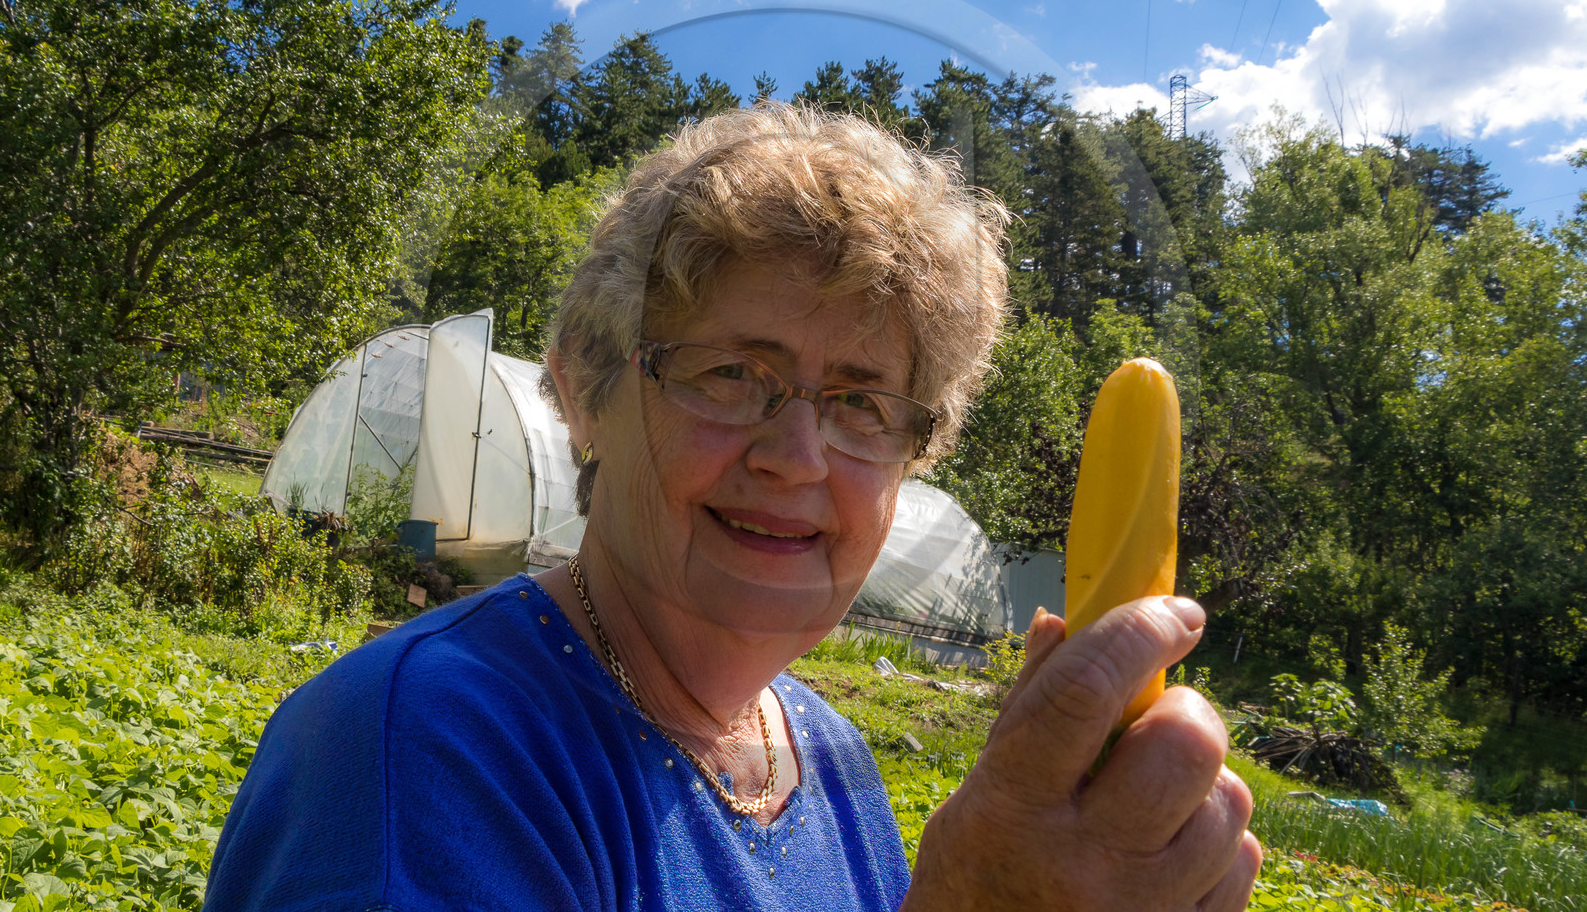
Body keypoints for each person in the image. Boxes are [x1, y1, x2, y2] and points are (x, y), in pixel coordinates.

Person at [203, 102, 1261, 910]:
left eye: (861, 403)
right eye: (729, 374)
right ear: (585, 388)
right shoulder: (427, 743)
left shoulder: (831, 759)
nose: (797, 456)